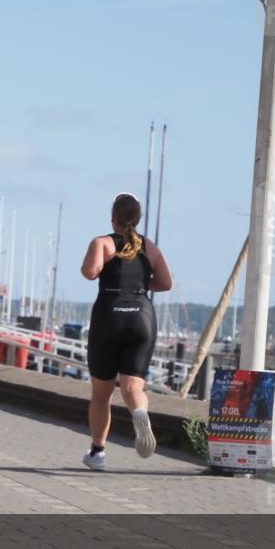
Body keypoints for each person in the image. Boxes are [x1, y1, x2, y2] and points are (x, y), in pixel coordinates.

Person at [80, 193, 173, 471]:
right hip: (142, 316)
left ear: (113, 217)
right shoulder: (150, 247)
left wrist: (100, 267)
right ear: (138, 218)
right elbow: (166, 283)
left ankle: (97, 453)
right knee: (133, 386)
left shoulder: (103, 243)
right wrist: (141, 287)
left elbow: (89, 272)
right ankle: (140, 412)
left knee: (102, 392)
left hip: (109, 314)